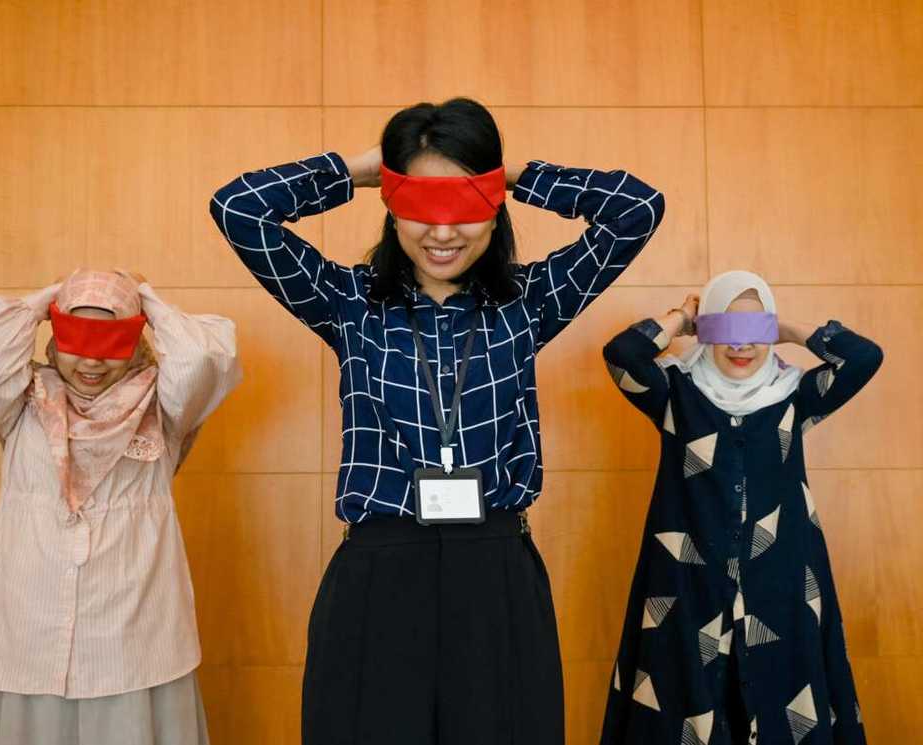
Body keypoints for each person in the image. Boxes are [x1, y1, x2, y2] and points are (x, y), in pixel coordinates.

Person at [210, 97, 665, 745]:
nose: (442, 229)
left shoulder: (528, 301)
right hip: (380, 572)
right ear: (392, 206)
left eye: (463, 203)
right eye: (420, 203)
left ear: (492, 206)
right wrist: (361, 169)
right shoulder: (349, 302)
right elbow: (239, 209)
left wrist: (513, 175)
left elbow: (636, 209)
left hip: (496, 570)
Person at [0, 269, 240, 745]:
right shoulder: (20, 400)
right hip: (28, 620)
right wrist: (53, 296)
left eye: (110, 342)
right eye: (74, 338)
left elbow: (207, 356)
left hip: (129, 625)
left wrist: (142, 296)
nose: (90, 359)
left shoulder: (163, 408)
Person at [599, 270, 882, 745]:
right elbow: (622, 355)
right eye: (727, 330)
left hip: (783, 581)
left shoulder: (794, 396)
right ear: (707, 332)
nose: (741, 345)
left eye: (754, 332)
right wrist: (682, 318)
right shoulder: (676, 393)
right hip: (687, 583)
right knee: (681, 707)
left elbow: (864, 358)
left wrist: (788, 329)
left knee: (786, 706)